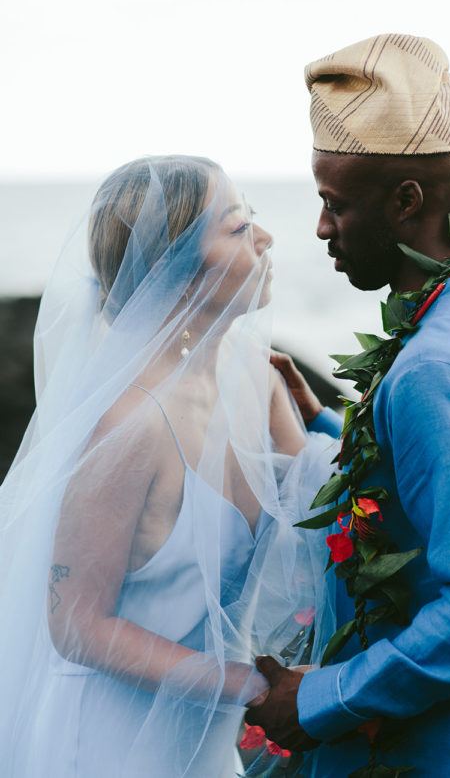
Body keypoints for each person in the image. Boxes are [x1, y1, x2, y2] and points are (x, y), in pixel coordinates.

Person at [247, 34, 450, 776]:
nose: (323, 229)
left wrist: (318, 699)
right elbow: (430, 500)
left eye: (335, 204)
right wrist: (332, 430)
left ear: (406, 200)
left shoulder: (435, 369)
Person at [0, 155, 338, 777]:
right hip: (109, 744)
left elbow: (332, 504)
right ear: (176, 271)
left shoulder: (261, 379)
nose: (265, 239)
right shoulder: (130, 426)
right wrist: (250, 687)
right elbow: (76, 622)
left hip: (205, 744)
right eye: (238, 229)